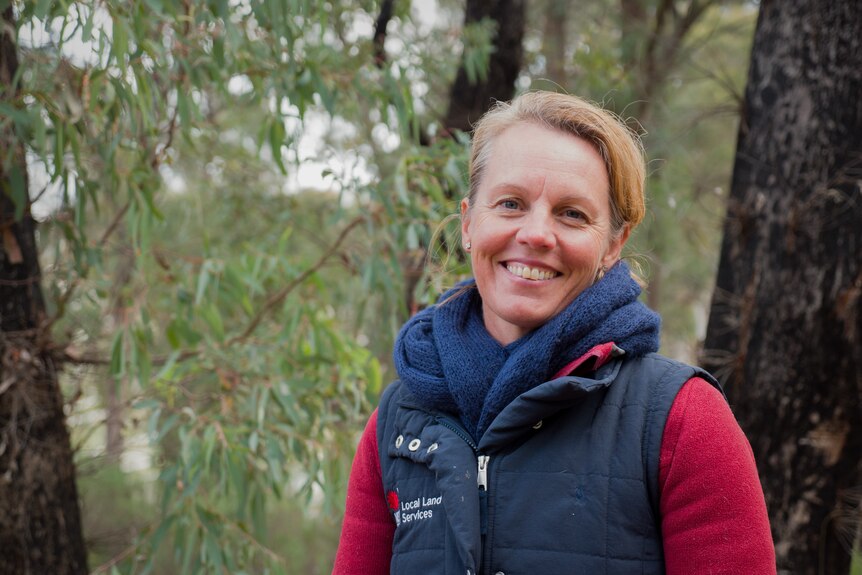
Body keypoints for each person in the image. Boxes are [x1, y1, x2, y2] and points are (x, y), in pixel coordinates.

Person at [332, 91, 775, 574]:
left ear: (612, 246)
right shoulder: (395, 425)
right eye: (510, 203)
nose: (537, 234)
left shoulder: (684, 422)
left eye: (572, 214)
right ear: (467, 224)